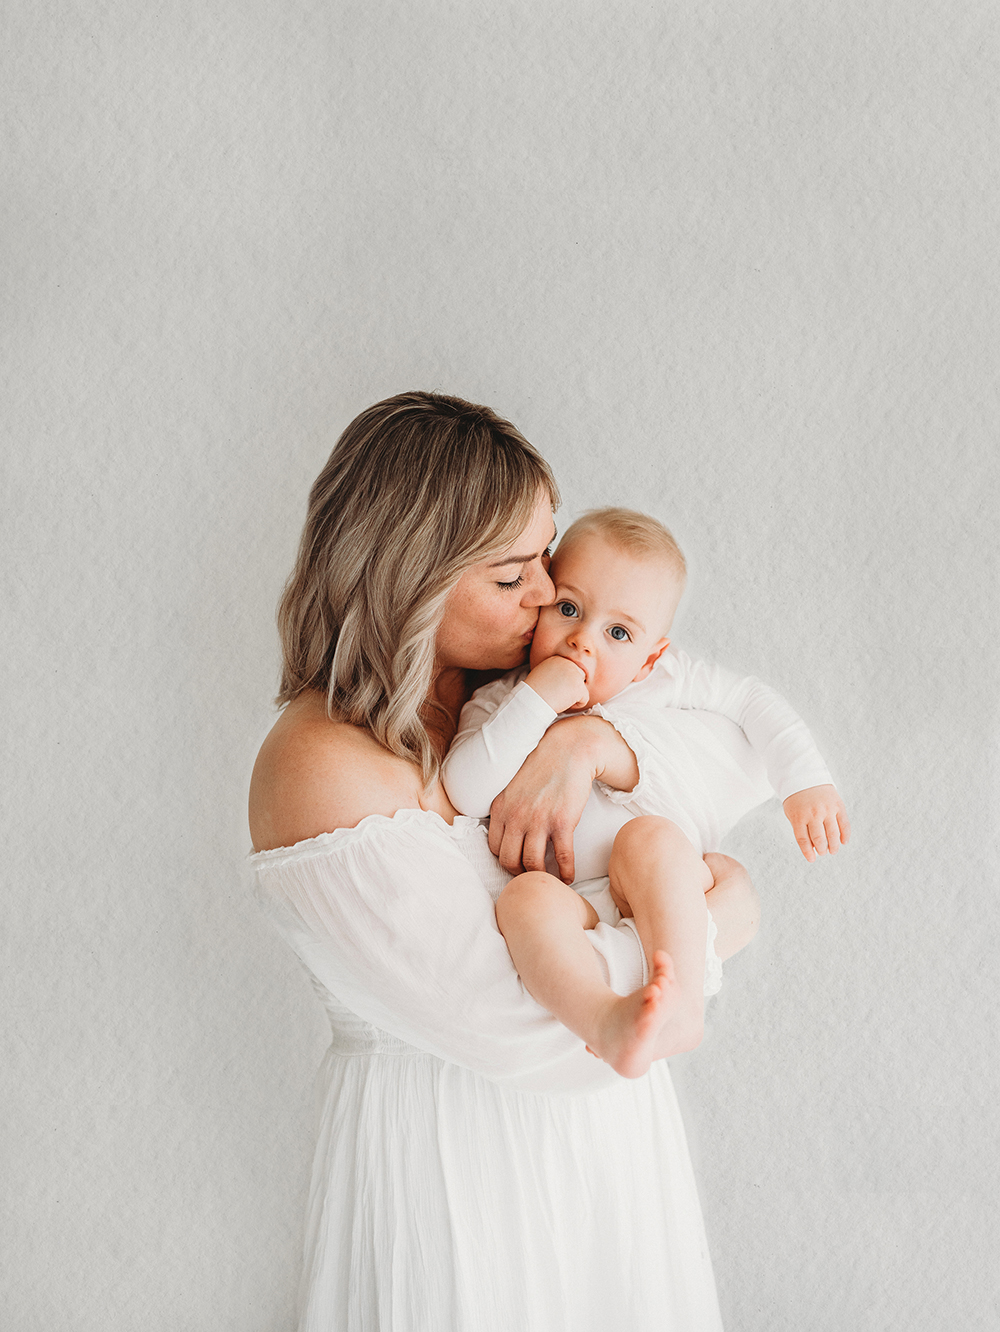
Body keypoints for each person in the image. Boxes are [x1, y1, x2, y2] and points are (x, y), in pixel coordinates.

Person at [249, 390, 757, 1331]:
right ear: (410, 578)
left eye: (546, 558)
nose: (548, 597)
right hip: (455, 1176)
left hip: (607, 1158)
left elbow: (738, 755)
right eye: (514, 576)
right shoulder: (320, 763)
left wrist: (589, 745)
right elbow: (530, 1028)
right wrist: (707, 922)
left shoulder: (527, 697)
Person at [442, 507, 850, 1079]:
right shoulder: (502, 699)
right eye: (568, 609)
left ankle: (681, 1008)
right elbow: (464, 791)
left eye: (618, 633)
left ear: (650, 657)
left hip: (654, 889)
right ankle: (603, 1019)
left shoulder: (663, 677)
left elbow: (749, 699)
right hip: (577, 903)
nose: (582, 641)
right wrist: (539, 697)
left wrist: (804, 781)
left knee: (649, 837)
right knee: (524, 900)